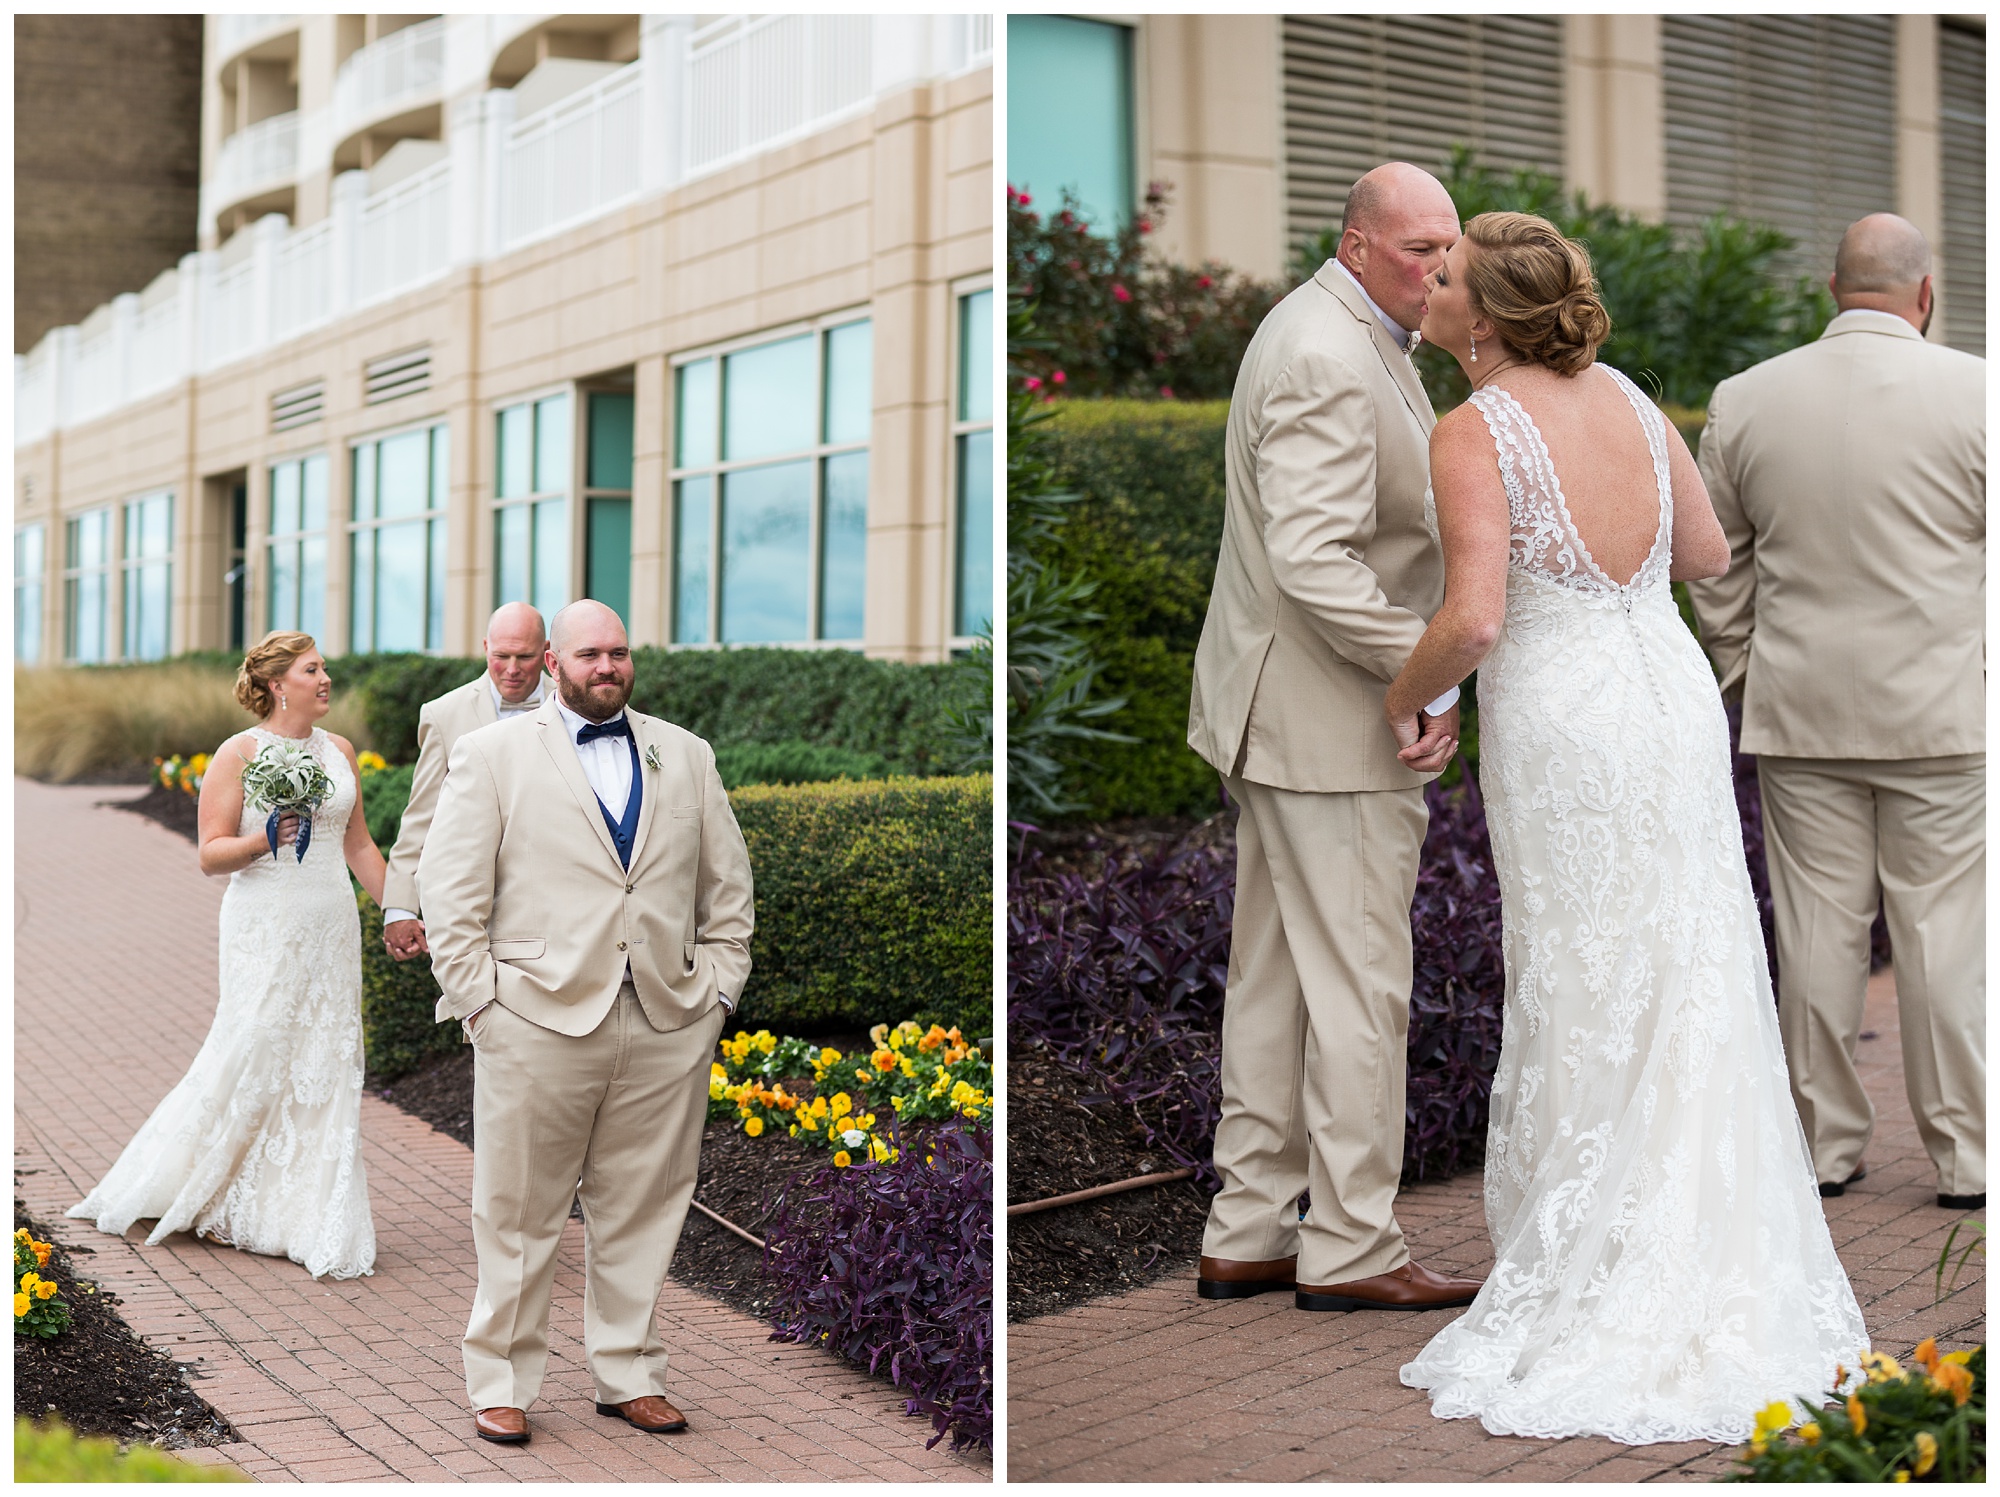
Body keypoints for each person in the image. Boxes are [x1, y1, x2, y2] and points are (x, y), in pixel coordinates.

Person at [1392, 211, 1867, 1443]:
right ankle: (1705, 1234)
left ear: (1483, 321)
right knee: (1688, 961)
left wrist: (1405, 693)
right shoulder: (1638, 409)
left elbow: (1475, 619)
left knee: (1581, 969)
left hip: (1566, 717)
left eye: (1444, 278)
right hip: (1662, 701)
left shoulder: (1471, 427)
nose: (1429, 289)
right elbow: (1704, 555)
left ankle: (1605, 1258)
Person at [1186, 161, 1481, 1312]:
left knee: (1276, 983)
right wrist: (1423, 677)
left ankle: (1248, 1230)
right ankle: (1352, 1244)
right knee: (1360, 985)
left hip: (1285, 719)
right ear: (1355, 245)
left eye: (1447, 248)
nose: (1439, 269)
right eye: (1417, 251)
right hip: (1325, 726)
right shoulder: (1321, 349)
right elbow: (1314, 558)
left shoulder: (1336, 330)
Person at [1687, 214, 1985, 1213]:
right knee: (1944, 936)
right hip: (1944, 711)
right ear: (1923, 292)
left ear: (1829, 288)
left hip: (1799, 704)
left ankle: (1822, 1144)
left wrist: (1741, 666)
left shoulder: (1745, 399)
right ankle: (1966, 1157)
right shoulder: (1978, 393)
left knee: (1816, 935)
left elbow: (1712, 563)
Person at [419, 599, 754, 1445]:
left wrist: (715, 995)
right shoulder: (490, 754)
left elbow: (730, 894)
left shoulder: (687, 754)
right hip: (532, 1018)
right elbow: (451, 897)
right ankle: (500, 1379)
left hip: (667, 1019)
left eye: (620, 653)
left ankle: (630, 1372)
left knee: (646, 1204)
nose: (607, 667)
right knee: (518, 1209)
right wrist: (483, 1007)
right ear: (553, 661)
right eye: (590, 654)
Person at [69, 632, 385, 1281]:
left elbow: (358, 846)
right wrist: (262, 838)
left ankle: (305, 1207)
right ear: (277, 683)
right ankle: (200, 1184)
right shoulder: (239, 753)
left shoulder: (342, 752)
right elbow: (210, 852)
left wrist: (404, 911)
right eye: (312, 669)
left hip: (330, 924)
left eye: (324, 668)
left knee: (325, 1054)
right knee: (257, 1045)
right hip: (263, 922)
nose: (326, 678)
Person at [380, 601, 551, 962]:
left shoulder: (575, 705)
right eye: (502, 656)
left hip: (554, 899)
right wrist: (400, 907)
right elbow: (422, 816)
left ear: (547, 653)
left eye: (525, 657)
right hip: (471, 903)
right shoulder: (443, 715)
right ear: (486, 648)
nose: (512, 669)